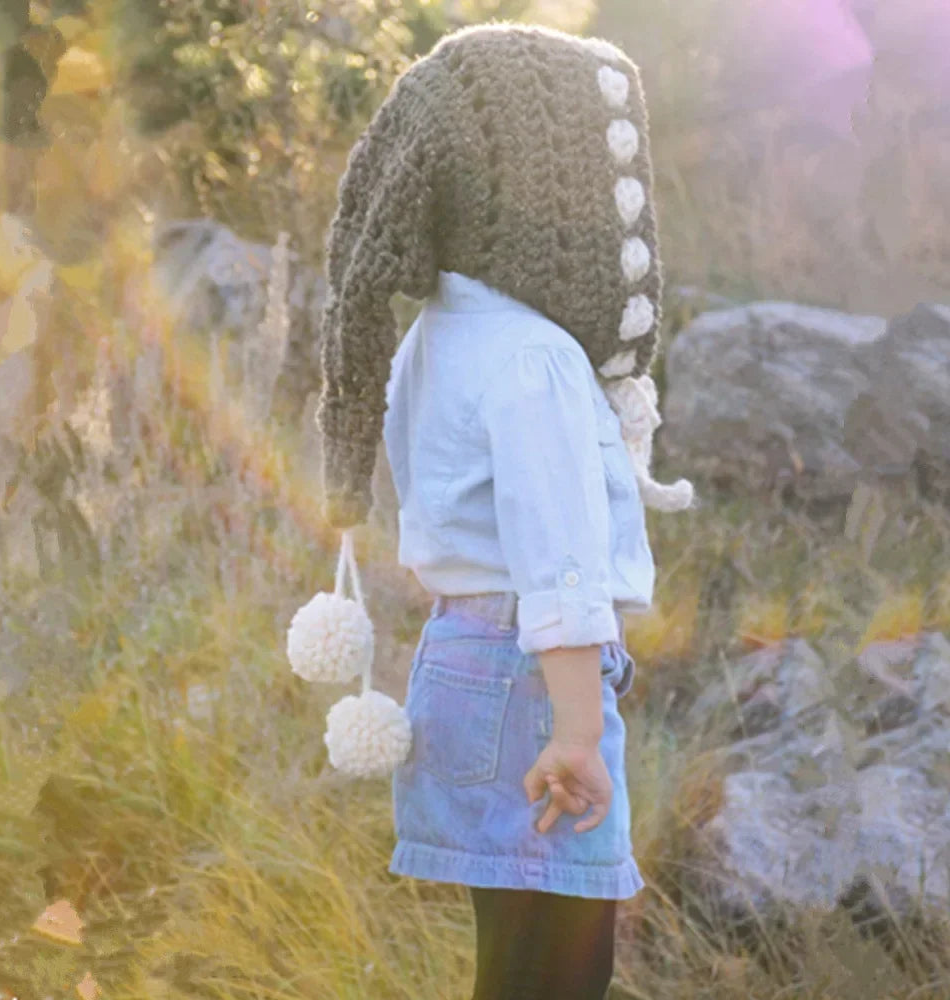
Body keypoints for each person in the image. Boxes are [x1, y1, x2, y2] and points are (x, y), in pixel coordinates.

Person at [314, 20, 690, 1000]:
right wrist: (573, 729)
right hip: (532, 688)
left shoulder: (435, 338)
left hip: (456, 667)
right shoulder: (535, 359)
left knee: (510, 966)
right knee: (564, 971)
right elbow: (555, 564)